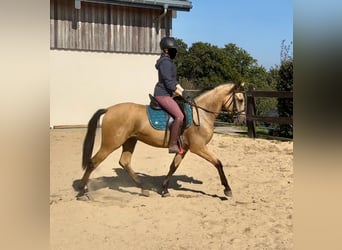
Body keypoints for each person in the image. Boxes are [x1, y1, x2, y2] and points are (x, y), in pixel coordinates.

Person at [153, 37, 185, 154]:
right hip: (163, 94)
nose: (174, 52)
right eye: (172, 50)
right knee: (179, 116)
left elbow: (174, 81)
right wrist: (177, 91)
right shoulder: (165, 62)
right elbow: (168, 81)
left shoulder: (168, 61)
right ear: (166, 50)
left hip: (168, 94)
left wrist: (183, 90)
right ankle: (172, 145)